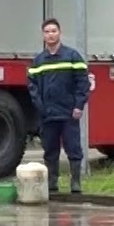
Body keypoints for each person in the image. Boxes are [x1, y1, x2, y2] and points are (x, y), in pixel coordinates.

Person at [28, 18, 90, 195]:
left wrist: (79, 106)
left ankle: (75, 182)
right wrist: (41, 107)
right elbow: (32, 87)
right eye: (47, 32)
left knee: (73, 148)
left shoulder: (72, 56)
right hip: (48, 115)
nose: (50, 35)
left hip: (69, 113)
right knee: (50, 150)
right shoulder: (38, 61)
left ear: (60, 33)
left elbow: (82, 83)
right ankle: (52, 183)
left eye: (53, 31)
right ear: (43, 35)